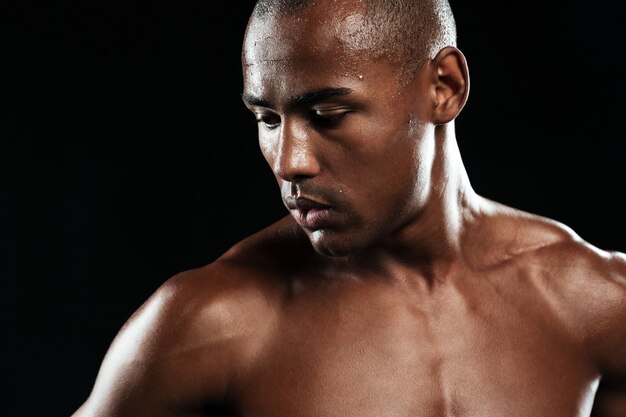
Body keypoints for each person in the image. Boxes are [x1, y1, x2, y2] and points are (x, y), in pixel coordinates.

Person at [72, 0, 626, 415]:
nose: (290, 162)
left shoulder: (595, 302)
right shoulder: (210, 324)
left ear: (444, 87)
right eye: (268, 119)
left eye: (328, 114)